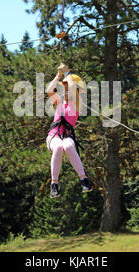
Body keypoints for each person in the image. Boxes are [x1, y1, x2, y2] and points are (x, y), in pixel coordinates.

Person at [46, 63, 93, 198]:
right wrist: (58, 76)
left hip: (67, 136)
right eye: (64, 87)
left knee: (67, 145)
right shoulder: (59, 101)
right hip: (53, 136)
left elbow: (72, 88)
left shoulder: (77, 103)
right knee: (59, 146)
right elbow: (49, 90)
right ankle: (54, 184)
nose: (65, 90)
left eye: (67, 87)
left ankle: (83, 179)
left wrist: (67, 73)